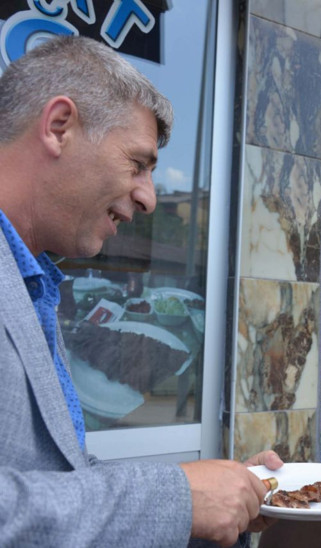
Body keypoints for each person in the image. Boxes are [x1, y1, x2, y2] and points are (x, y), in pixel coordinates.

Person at [0, 35, 282, 547]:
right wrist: (176, 499)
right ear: (59, 127)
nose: (149, 198)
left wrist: (219, 499)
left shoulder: (32, 284)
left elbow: (60, 482)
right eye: (138, 163)